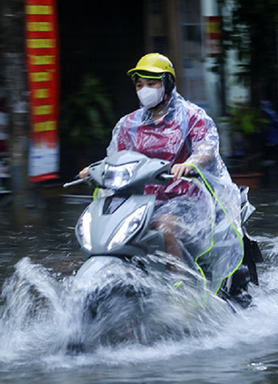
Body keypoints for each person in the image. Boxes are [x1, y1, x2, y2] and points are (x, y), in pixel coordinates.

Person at [79, 53, 243, 293]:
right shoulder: (129, 123)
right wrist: (95, 169)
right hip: (140, 201)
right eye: (139, 84)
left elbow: (206, 147)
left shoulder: (191, 116)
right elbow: (116, 157)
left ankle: (180, 292)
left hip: (184, 200)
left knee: (164, 228)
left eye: (151, 83)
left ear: (167, 84)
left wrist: (191, 163)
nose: (144, 89)